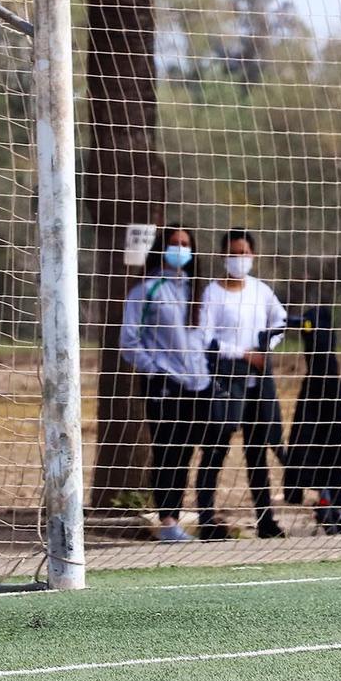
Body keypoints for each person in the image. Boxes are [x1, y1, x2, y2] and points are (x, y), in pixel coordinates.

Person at [121, 224, 212, 542]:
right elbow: (128, 341)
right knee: (166, 451)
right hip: (164, 384)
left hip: (199, 384)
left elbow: (204, 339)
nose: (180, 249)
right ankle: (167, 521)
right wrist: (155, 371)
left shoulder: (198, 290)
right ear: (162, 248)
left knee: (187, 451)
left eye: (186, 244)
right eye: (174, 243)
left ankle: (192, 515)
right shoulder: (147, 290)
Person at [196, 229, 288, 539]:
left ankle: (266, 519)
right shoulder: (213, 292)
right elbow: (206, 338)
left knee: (257, 450)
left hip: (257, 382)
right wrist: (241, 354)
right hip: (225, 378)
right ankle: (206, 518)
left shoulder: (261, 291)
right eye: (234, 252)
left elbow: (281, 321)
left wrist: (265, 348)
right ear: (224, 255)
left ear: (253, 255)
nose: (240, 258)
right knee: (216, 447)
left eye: (245, 252)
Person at [281, 305, 341, 534]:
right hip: (319, 397)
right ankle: (327, 497)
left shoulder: (327, 377)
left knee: (327, 439)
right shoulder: (320, 380)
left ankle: (332, 499)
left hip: (326, 399)